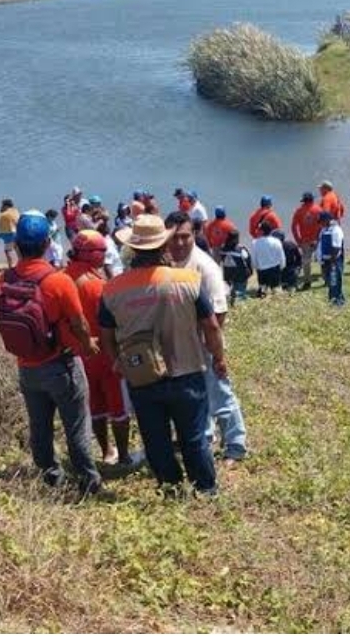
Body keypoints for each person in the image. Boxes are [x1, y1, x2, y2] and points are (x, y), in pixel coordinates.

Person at [99, 214, 226, 496]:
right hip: (187, 372)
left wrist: (117, 362)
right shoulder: (188, 280)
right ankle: (205, 490)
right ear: (163, 245)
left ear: (133, 249)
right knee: (193, 437)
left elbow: (105, 334)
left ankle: (170, 488)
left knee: (156, 440)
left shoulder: (112, 289)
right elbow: (211, 325)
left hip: (141, 376)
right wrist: (218, 357)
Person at [0, 211, 102, 495]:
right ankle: (88, 481)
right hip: (60, 364)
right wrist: (88, 345)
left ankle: (51, 476)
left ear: (16, 245)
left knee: (39, 426)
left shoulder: (4, 279)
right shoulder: (58, 281)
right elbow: (79, 323)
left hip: (27, 367)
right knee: (76, 424)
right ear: (47, 243)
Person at [165, 212, 248, 465]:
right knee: (193, 396)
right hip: (180, 345)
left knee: (220, 394)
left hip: (204, 344)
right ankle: (206, 436)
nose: (179, 243)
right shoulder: (168, 262)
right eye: (173, 237)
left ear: (194, 235)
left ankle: (236, 444)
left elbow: (218, 315)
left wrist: (214, 353)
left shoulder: (204, 266)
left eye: (185, 237)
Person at [64, 230, 139, 467]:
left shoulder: (63, 278)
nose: (105, 255)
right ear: (91, 255)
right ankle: (124, 456)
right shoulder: (97, 286)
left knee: (95, 406)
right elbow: (112, 323)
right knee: (118, 407)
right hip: (103, 354)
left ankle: (106, 451)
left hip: (77, 355)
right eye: (102, 251)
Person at [291, 192, 322, 290]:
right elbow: (323, 225)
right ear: (312, 200)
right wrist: (319, 238)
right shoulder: (318, 209)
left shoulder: (299, 211)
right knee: (323, 260)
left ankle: (307, 282)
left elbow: (293, 227)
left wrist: (298, 240)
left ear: (304, 201)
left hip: (305, 241)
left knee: (306, 262)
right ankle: (326, 278)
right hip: (317, 239)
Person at [317, 211, 345, 306]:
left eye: (322, 221)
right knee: (330, 282)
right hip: (325, 261)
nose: (320, 223)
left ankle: (337, 302)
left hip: (334, 261)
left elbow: (336, 248)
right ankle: (334, 299)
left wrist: (332, 263)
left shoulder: (336, 230)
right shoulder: (324, 230)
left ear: (328, 220)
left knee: (335, 281)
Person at [251, 221, 285, 297]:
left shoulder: (255, 243)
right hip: (275, 270)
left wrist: (256, 268)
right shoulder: (277, 241)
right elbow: (281, 257)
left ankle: (263, 293)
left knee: (263, 290)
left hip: (262, 271)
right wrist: (281, 267)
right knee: (276, 289)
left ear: (262, 231)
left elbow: (254, 259)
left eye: (259, 230)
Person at [221, 229, 254, 304]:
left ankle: (231, 302)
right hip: (240, 275)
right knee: (240, 293)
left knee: (230, 292)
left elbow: (222, 260)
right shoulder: (241, 250)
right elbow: (248, 260)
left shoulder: (223, 249)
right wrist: (250, 271)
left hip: (228, 275)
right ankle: (239, 303)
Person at [0, 198, 20, 268]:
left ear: (6, 205)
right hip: (16, 233)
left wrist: (0, 211)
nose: (1, 206)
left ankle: (10, 266)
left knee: (7, 251)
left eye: (2, 205)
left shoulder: (4, 214)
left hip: (9, 234)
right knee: (17, 249)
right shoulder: (15, 211)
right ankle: (20, 264)